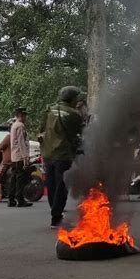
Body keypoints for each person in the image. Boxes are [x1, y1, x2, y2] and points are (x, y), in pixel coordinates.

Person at [40, 86, 84, 228]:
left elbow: (42, 129)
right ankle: (56, 218)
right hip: (63, 154)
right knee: (61, 186)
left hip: (48, 153)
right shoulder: (74, 114)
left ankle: (55, 212)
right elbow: (80, 132)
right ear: (72, 98)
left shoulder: (49, 110)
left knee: (51, 184)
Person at [9, 108, 32, 207]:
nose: (26, 118)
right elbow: (22, 143)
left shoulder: (14, 125)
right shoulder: (20, 126)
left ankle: (11, 199)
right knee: (20, 179)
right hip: (20, 156)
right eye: (25, 115)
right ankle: (20, 200)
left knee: (14, 178)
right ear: (21, 115)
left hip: (14, 156)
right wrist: (26, 158)